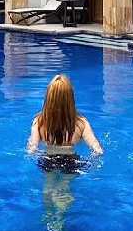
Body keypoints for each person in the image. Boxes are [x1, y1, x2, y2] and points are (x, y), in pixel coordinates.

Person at [27, 75, 103, 230]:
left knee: (48, 187)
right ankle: (60, 218)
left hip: (48, 159)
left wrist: (32, 152)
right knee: (63, 187)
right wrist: (93, 160)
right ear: (71, 99)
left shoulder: (39, 122)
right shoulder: (81, 123)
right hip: (71, 161)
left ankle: (48, 214)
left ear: (48, 98)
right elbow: (97, 150)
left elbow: (32, 149)